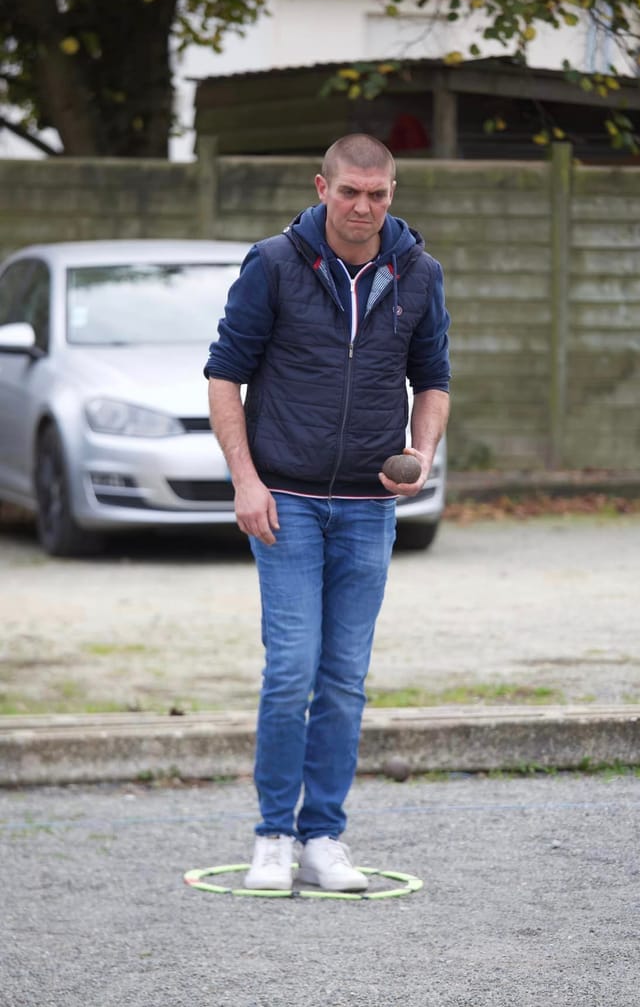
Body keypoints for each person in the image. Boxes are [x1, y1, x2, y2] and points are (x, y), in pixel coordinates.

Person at [204, 133, 450, 893]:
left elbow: (434, 378)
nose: (363, 206)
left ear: (392, 193)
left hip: (370, 506)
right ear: (322, 187)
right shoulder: (273, 264)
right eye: (350, 191)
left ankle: (324, 836)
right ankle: (273, 834)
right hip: (288, 502)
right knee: (291, 672)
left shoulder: (419, 271)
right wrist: (246, 480)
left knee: (344, 678)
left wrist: (424, 451)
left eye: (378, 194)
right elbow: (224, 377)